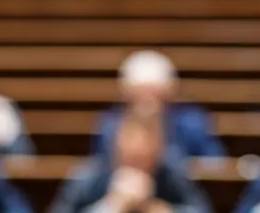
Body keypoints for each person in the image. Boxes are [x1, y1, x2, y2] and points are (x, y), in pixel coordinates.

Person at [50, 112, 212, 213]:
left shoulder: (172, 174)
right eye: (131, 157)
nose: (137, 162)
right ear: (116, 145)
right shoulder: (89, 175)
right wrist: (111, 207)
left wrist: (159, 212)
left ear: (158, 149)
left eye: (143, 157)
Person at [91, 50, 225, 163]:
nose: (147, 101)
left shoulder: (192, 122)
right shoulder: (111, 123)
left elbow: (214, 164)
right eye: (140, 94)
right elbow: (99, 165)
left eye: (154, 94)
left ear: (169, 93)